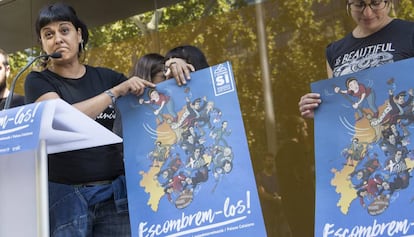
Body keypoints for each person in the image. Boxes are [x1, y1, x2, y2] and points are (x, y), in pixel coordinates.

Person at [23, 3, 155, 236]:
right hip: (65, 199)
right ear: (42, 44)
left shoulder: (107, 77)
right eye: (48, 34)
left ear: (79, 34)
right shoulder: (37, 81)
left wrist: (174, 67)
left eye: (65, 30)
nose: (58, 39)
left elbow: (150, 94)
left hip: (115, 196)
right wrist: (112, 94)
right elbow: (62, 119)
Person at [298, 0, 414, 118]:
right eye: (359, 5)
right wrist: (320, 111)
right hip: (363, 129)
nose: (368, 13)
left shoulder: (409, 33)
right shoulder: (334, 51)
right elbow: (342, 106)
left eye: (376, 3)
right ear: (349, 4)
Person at [275, 115, 314, 237]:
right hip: (305, 205)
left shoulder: (280, 153)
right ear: (298, 129)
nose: (306, 133)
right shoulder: (300, 151)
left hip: (290, 206)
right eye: (305, 129)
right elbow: (302, 178)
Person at [256, 152, 291, 237]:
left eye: (272, 161)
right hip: (267, 210)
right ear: (264, 162)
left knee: (283, 232)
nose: (270, 163)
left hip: (280, 210)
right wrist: (274, 198)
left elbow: (283, 189)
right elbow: (262, 193)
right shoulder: (260, 176)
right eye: (268, 161)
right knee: (270, 232)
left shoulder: (277, 175)